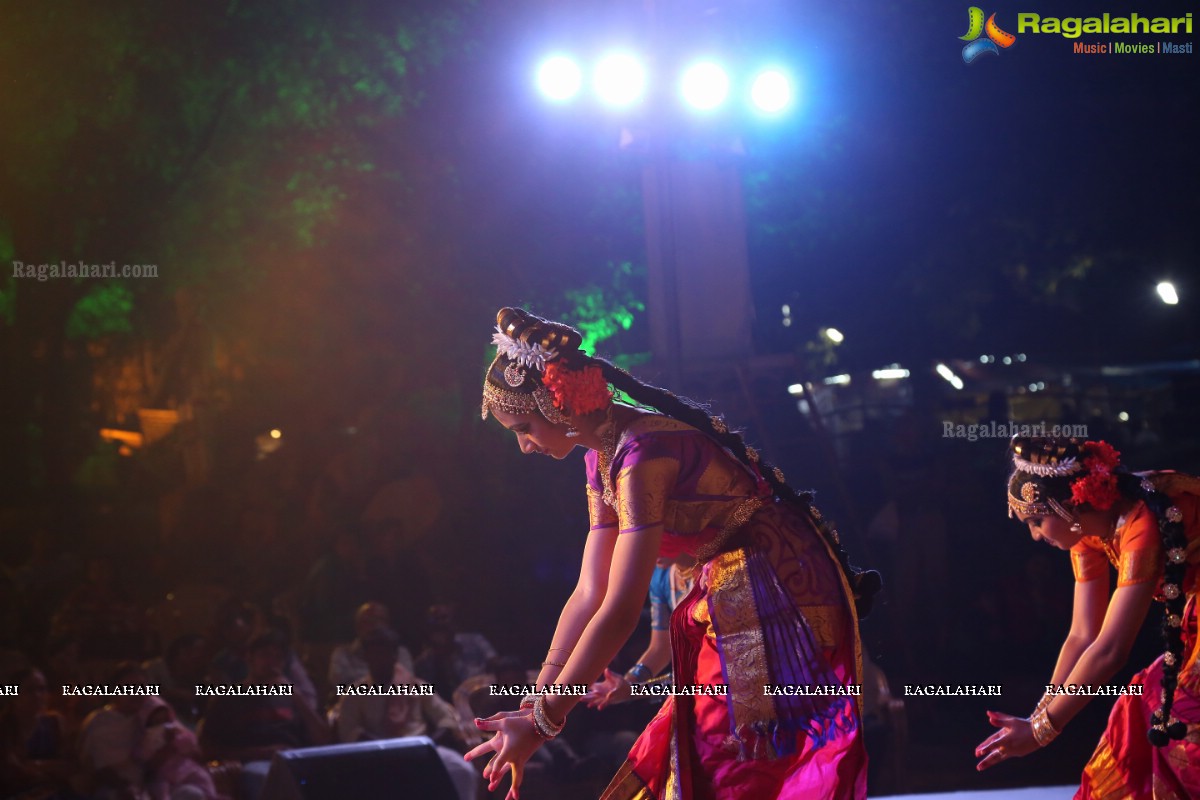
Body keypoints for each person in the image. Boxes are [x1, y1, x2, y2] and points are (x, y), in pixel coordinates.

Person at [467, 307, 878, 800]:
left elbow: (620, 610)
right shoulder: (601, 459)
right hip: (725, 585)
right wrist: (540, 701)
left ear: (558, 403)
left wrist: (544, 720)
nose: (524, 446)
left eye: (523, 426)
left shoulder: (642, 455)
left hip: (771, 584)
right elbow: (589, 591)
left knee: (729, 757)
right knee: (704, 752)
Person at [975, 437, 1200, 797]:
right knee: (1142, 717)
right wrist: (1039, 713)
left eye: (1036, 521)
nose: (1034, 536)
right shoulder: (1085, 533)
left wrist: (1041, 731)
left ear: (1069, 507)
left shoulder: (1141, 522)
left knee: (1177, 725)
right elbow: (1082, 635)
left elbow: (1111, 650)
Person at [586, 555, 696, 710]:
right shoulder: (661, 575)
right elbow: (660, 648)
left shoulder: (719, 570)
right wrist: (628, 683)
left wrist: (633, 691)